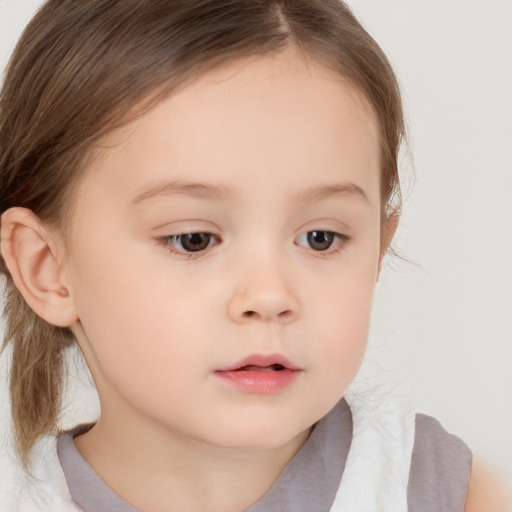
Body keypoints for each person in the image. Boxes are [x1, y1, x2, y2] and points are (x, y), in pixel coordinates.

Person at [0, 1, 509, 511]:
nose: (269, 296)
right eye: (193, 239)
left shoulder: (450, 495)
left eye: (321, 238)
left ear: (378, 248)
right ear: (46, 269)